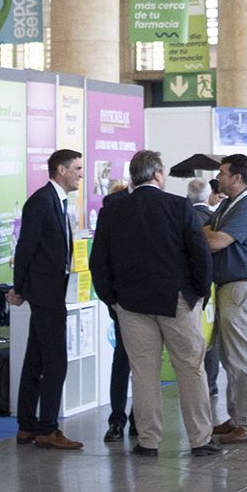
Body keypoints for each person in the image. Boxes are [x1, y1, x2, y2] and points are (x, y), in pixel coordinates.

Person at [86, 149, 215, 456]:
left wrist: (112, 301)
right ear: (158, 174)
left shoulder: (113, 211)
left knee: (143, 374)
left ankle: (148, 441)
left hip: (131, 305)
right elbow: (200, 255)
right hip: (178, 301)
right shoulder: (178, 206)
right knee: (191, 370)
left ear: (133, 176)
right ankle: (200, 440)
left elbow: (98, 263)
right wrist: (200, 294)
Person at [10, 150, 86, 449]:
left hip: (50, 291)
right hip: (45, 293)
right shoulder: (42, 201)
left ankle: (28, 426)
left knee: (36, 358)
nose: (81, 173)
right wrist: (19, 289)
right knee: (55, 361)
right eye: (77, 168)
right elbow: (26, 247)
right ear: (61, 170)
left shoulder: (57, 201)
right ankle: (47, 428)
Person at [201, 154, 247, 444]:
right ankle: (238, 417)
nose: (217, 178)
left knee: (242, 357)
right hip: (230, 287)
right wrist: (209, 232)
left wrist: (207, 233)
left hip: (243, 287)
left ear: (236, 177)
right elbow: (210, 230)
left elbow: (215, 240)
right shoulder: (230, 204)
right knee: (232, 357)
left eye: (221, 173)